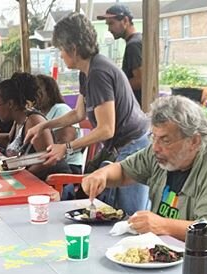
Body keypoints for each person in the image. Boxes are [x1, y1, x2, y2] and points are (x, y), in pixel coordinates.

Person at [82, 95, 207, 274]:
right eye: (153, 137)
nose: (155, 147)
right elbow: (123, 172)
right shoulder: (161, 154)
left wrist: (162, 225)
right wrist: (102, 174)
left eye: (165, 140)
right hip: (170, 256)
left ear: (194, 141)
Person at [25, 13, 149, 215]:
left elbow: (106, 129)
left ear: (73, 49)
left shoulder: (99, 72)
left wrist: (65, 147)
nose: (61, 55)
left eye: (61, 50)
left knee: (128, 215)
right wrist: (44, 125)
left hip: (133, 146)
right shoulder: (86, 72)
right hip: (121, 147)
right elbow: (78, 114)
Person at [0, 72, 70, 179]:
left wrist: (21, 175)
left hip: (53, 182)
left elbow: (48, 159)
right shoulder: (18, 120)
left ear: (10, 104)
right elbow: (9, 141)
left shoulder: (34, 121)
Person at [35, 74, 83, 173]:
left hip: (69, 166)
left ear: (49, 92)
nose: (35, 96)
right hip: (50, 164)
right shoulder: (38, 114)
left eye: (39, 92)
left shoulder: (61, 109)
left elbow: (65, 142)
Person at [98, 4, 142, 105]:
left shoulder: (133, 45)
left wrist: (114, 87)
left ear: (125, 21)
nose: (109, 29)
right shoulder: (138, 40)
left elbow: (140, 81)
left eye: (111, 23)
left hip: (139, 107)